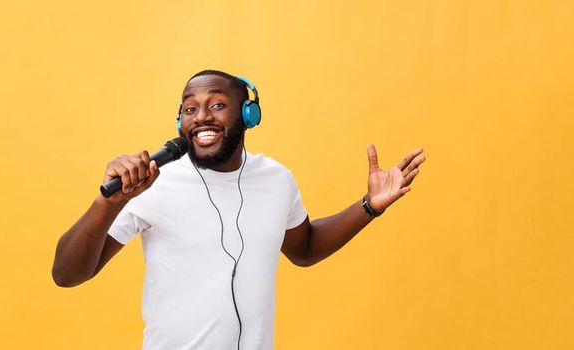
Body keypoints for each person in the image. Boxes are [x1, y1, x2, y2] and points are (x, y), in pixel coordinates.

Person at [50, 70, 426, 349]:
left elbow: (305, 248)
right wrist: (107, 203)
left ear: (248, 115)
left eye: (217, 104)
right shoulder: (152, 183)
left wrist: (368, 207)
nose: (201, 117)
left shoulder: (276, 179)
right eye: (189, 108)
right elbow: (67, 274)